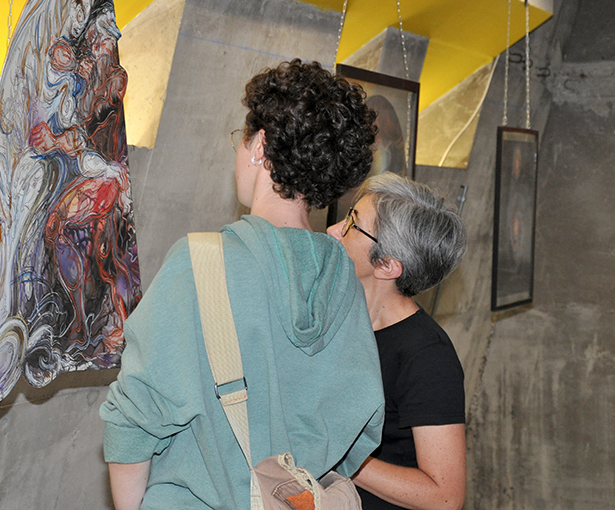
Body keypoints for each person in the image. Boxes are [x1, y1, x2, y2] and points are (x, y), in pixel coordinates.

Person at [100, 59, 385, 510]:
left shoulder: (201, 262)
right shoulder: (343, 278)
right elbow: (362, 422)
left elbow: (135, 419)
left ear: (261, 147)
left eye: (242, 137)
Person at [326, 172, 467, 510]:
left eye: (352, 225)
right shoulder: (338, 320)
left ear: (387, 265)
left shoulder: (428, 356)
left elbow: (445, 496)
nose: (333, 231)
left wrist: (341, 458)